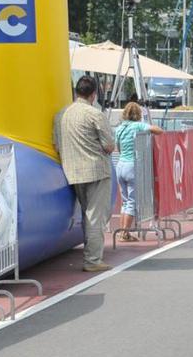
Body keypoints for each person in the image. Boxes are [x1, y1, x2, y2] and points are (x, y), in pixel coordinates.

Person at [53, 76, 116, 272]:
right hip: (96, 170)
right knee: (95, 217)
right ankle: (93, 260)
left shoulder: (61, 115)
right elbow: (109, 145)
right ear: (93, 94)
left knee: (87, 214)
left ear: (76, 91)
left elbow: (56, 144)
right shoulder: (95, 114)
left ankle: (91, 255)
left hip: (72, 172)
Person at [114, 101, 162, 242]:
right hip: (132, 165)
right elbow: (158, 130)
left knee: (125, 201)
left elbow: (118, 147)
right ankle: (125, 233)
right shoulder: (138, 126)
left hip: (120, 165)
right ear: (138, 114)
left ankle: (122, 231)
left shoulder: (119, 128)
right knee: (132, 201)